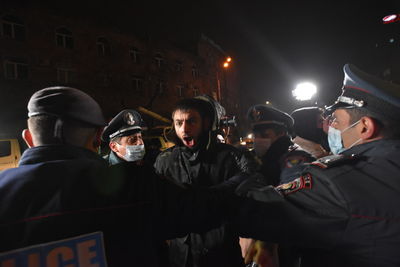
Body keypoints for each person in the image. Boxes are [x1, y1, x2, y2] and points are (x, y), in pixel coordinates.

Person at [0, 87, 240, 267]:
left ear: (28, 139)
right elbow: (201, 207)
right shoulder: (133, 185)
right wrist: (243, 180)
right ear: (99, 138)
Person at [234, 64, 400, 267]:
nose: (332, 127)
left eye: (336, 121)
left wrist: (246, 182)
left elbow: (271, 208)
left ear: (365, 126)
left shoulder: (335, 177)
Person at [154, 96, 253, 267]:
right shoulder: (164, 160)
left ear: (206, 124)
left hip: (222, 254)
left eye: (191, 121)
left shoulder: (231, 157)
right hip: (181, 257)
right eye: (178, 123)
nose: (184, 129)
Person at [246, 104, 313, 186]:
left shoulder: (294, 157)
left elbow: (289, 191)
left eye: (264, 135)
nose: (258, 140)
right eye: (255, 136)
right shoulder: (267, 156)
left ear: (281, 133)